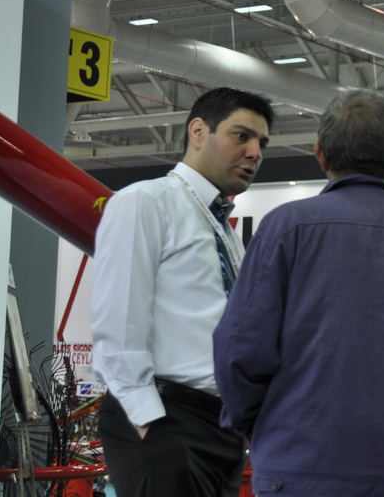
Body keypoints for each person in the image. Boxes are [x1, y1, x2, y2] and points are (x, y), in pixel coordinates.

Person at [213, 89, 384, 497]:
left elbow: (240, 350)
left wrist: (258, 425)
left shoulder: (285, 228)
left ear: (320, 153)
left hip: (295, 472)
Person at [92, 87, 274, 497]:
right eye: (241, 136)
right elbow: (119, 321)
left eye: (261, 143)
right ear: (198, 132)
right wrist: (150, 424)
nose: (254, 153)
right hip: (166, 419)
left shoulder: (222, 229)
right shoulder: (145, 201)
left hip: (221, 427)